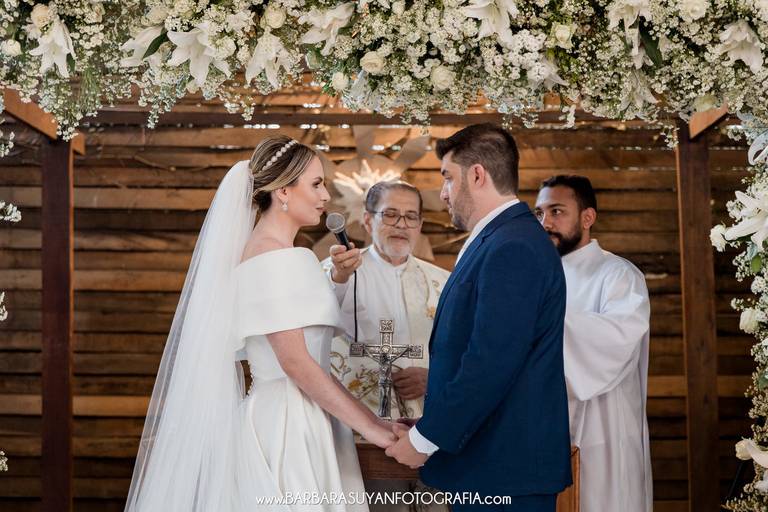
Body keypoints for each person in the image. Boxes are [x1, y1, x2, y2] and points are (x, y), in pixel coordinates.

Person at [124, 135, 397, 511]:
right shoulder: (270, 256)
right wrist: (373, 429)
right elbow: (297, 363)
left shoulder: (283, 254)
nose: (324, 196)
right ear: (283, 191)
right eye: (316, 184)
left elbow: (307, 335)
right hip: (289, 425)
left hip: (307, 412)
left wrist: (336, 278)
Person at [386, 123, 572, 512]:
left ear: (476, 175)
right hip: (488, 462)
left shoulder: (514, 246)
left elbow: (491, 360)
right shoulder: (500, 238)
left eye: (447, 177)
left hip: (504, 469)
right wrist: (431, 425)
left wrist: (426, 438)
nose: (443, 193)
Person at [323, 180, 450, 512]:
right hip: (361, 435)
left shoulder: (445, 282)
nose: (401, 225)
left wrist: (434, 378)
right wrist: (338, 279)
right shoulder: (339, 273)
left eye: (411, 216)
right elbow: (321, 327)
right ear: (367, 220)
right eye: (390, 214)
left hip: (431, 433)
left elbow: (464, 351)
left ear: (420, 224)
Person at [535, 175, 653, 512]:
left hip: (603, 430)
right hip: (545, 426)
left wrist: (536, 323)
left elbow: (618, 339)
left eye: (557, 211)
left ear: (587, 217)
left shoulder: (619, 274)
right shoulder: (538, 277)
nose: (545, 223)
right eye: (539, 213)